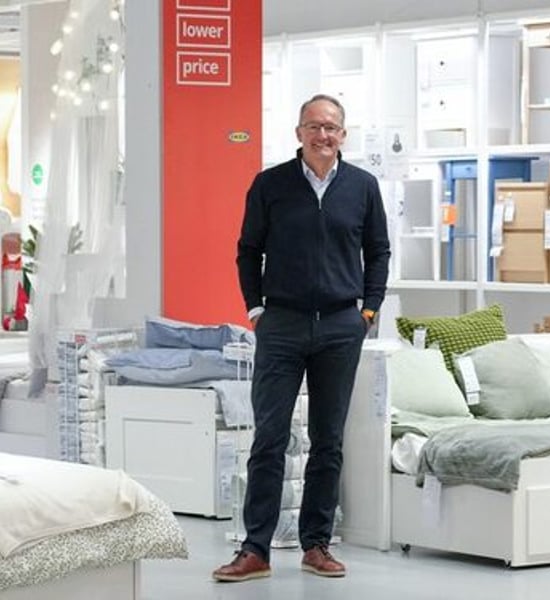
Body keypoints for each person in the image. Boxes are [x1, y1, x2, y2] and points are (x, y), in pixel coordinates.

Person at [213, 93, 391, 582]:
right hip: (282, 325)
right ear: (299, 133)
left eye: (331, 127)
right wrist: (257, 310)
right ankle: (255, 550)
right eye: (314, 126)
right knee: (269, 438)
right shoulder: (270, 184)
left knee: (327, 441)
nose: (322, 135)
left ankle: (316, 545)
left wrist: (367, 311)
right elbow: (248, 250)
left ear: (343, 135)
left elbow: (378, 251)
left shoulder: (362, 187)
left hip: (340, 326)